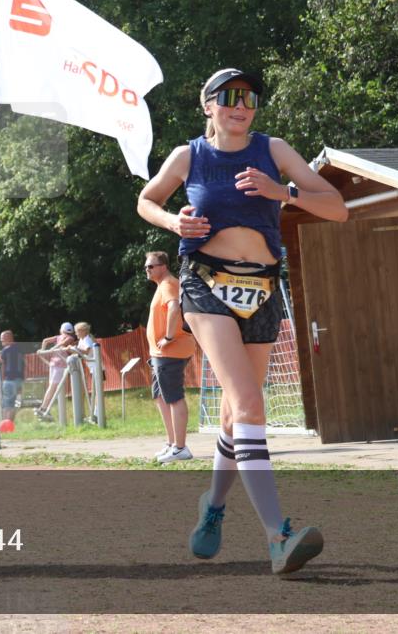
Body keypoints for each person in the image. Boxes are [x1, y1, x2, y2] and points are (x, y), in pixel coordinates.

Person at [137, 68, 346, 574]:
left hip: (264, 288)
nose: (241, 104)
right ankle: (279, 535)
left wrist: (284, 193)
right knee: (250, 403)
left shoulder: (274, 150)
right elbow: (147, 200)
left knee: (237, 416)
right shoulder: (188, 156)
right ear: (207, 105)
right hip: (205, 284)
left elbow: (337, 208)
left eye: (250, 97)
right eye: (229, 97)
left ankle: (212, 509)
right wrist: (172, 221)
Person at [143, 251, 198, 463]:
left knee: (174, 397)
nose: (146, 270)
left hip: (170, 352)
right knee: (160, 396)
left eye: (150, 266)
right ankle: (171, 443)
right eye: (146, 267)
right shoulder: (162, 285)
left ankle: (181, 447)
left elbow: (174, 306)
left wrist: (168, 336)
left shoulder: (167, 284)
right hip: (160, 353)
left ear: (163, 266)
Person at [35, 322, 77, 420]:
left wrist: (43, 350)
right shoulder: (70, 338)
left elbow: (45, 340)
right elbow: (63, 343)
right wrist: (53, 348)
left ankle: (45, 408)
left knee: (52, 387)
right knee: (54, 387)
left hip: (53, 364)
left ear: (61, 330)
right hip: (61, 365)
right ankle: (44, 408)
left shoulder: (58, 337)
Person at [0, 330, 24, 422]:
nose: (1, 341)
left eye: (2, 339)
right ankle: (11, 423)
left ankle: (6, 425)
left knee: (7, 404)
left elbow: (0, 360)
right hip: (19, 379)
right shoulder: (19, 348)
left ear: (8, 338)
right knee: (13, 403)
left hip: (9, 380)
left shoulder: (6, 349)